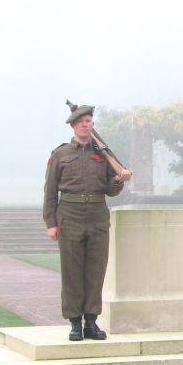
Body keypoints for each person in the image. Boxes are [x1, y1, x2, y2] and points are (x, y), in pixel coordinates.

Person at [43, 102, 132, 341]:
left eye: (89, 121)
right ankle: (75, 322)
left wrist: (119, 179)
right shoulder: (60, 154)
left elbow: (110, 190)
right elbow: (50, 191)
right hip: (69, 215)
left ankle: (91, 321)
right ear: (73, 125)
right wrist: (51, 222)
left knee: (95, 270)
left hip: (97, 215)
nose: (86, 124)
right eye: (81, 121)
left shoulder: (103, 154)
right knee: (72, 271)